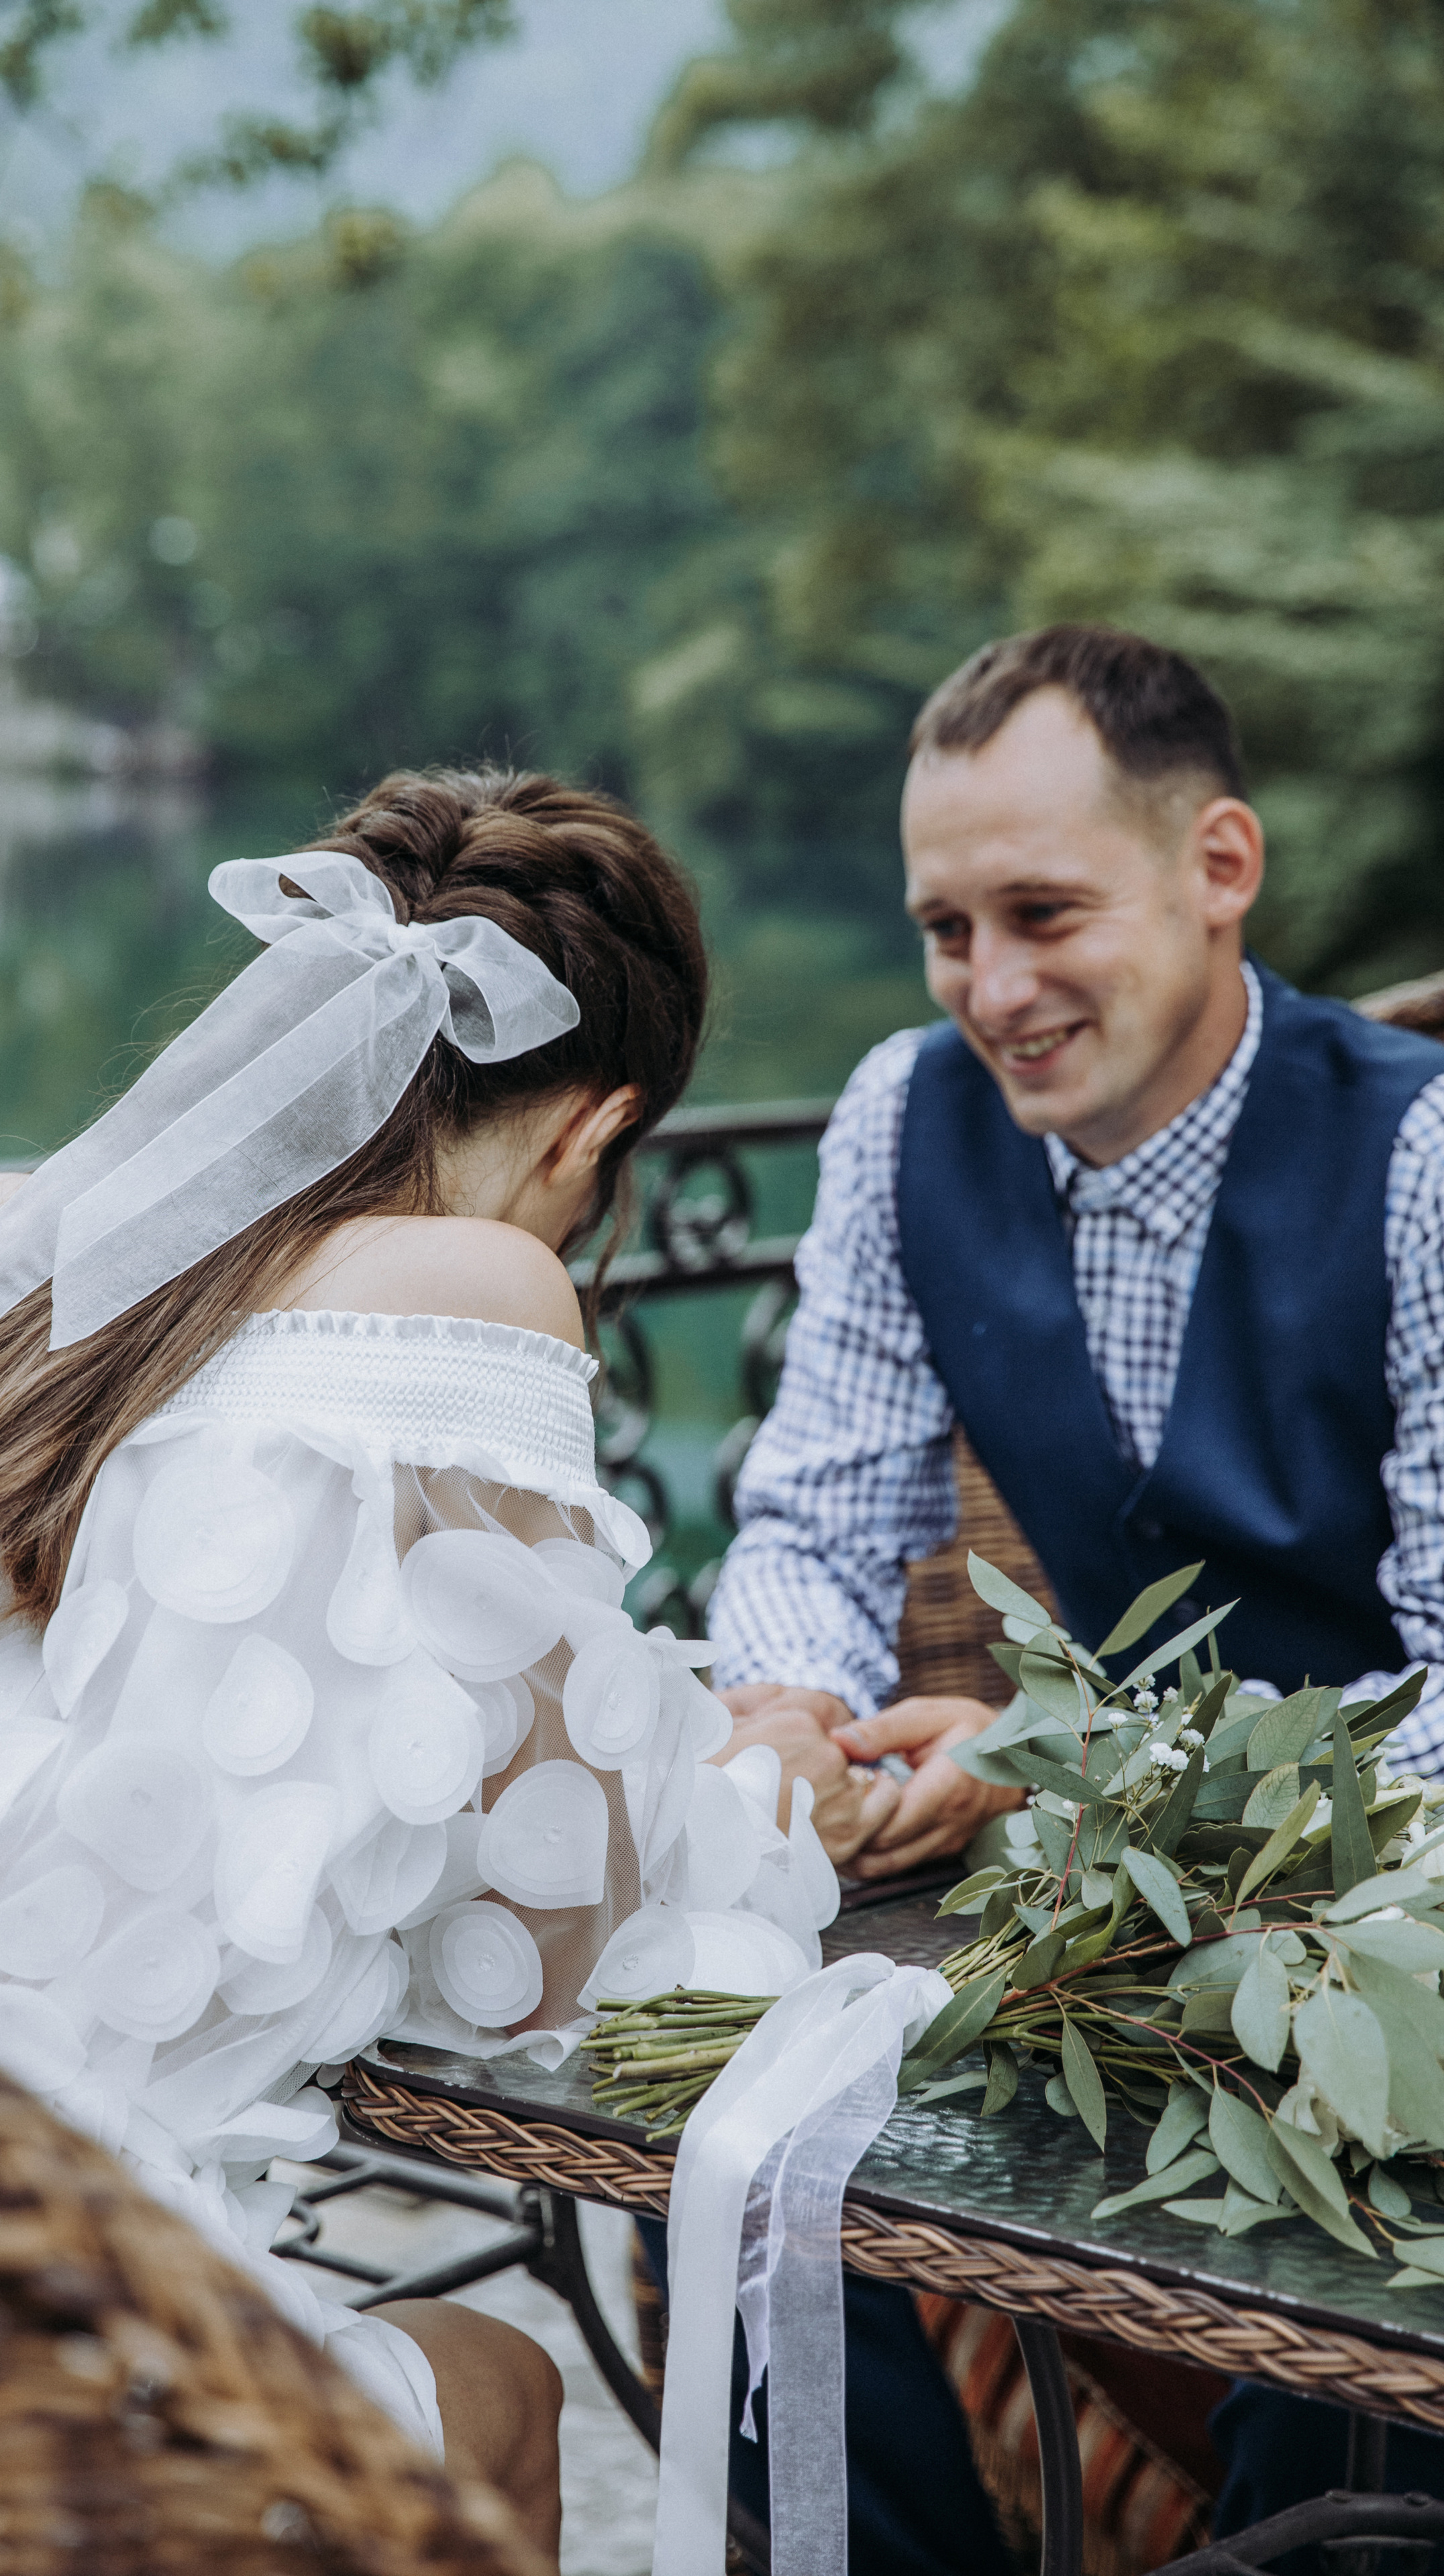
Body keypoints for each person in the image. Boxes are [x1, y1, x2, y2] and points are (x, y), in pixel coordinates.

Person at [0, 767, 831, 2568]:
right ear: (598, 1125)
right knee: (507, 2390)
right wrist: (771, 1782)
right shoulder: (477, 1290)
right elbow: (543, 1957)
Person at [682, 624, 1444, 2571]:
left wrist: (1075, 1767)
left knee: (1329, 2271)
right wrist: (793, 1711)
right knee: (736, 2133)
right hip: (1078, 1911)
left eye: (1043, 915)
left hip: (1400, 1921)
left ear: (1219, 866)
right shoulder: (901, 1118)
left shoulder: (1421, 1155)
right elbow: (815, 1518)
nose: (992, 991)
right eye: (947, 931)